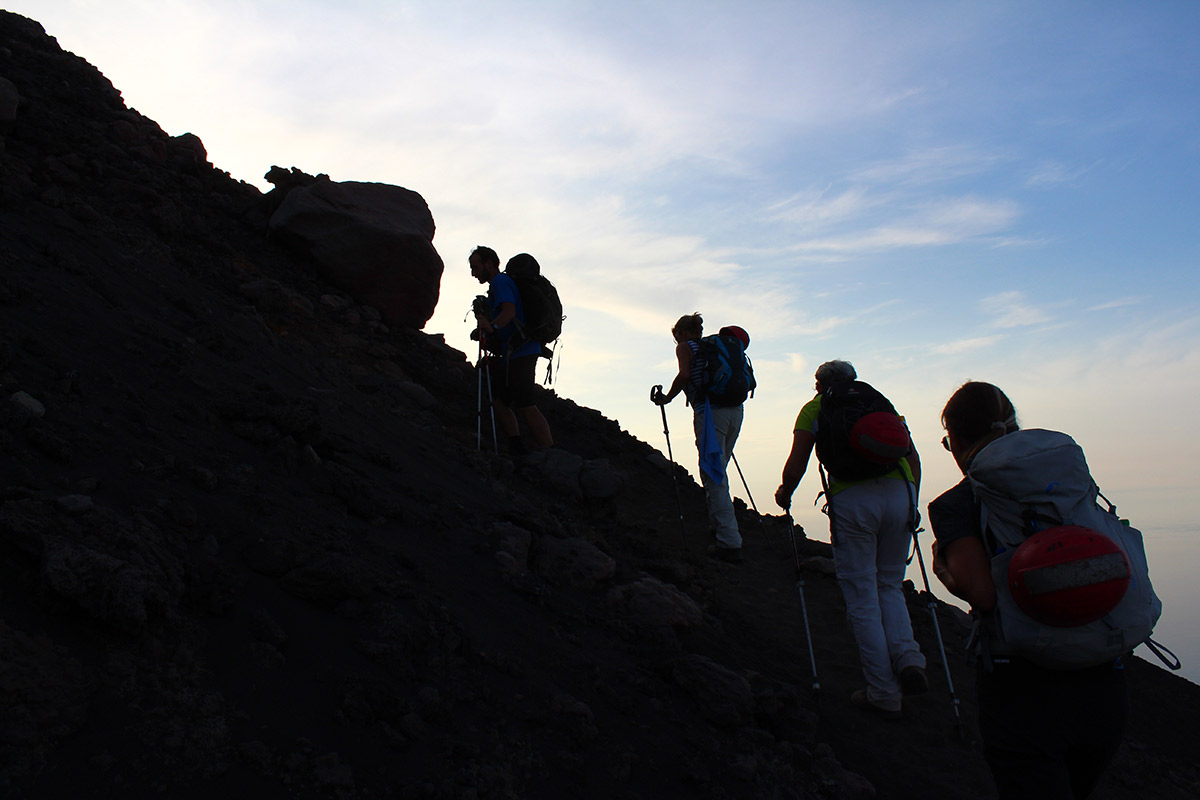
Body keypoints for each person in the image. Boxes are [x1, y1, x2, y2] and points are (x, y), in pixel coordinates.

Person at [928, 381, 1127, 799]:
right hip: (1104, 678)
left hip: (1023, 687)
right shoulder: (1070, 480)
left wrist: (945, 572)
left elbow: (981, 594)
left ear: (958, 441)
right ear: (1013, 426)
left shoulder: (954, 505)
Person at [774, 359, 926, 718]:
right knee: (889, 584)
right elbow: (911, 454)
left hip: (853, 500)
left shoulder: (815, 407)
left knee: (860, 596)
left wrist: (786, 491)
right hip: (900, 493)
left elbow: (799, 458)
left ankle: (884, 693)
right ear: (852, 379)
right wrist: (913, 501)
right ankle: (908, 657)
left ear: (818, 384)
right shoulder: (878, 400)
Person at [652, 313, 744, 563]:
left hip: (709, 412)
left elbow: (684, 375)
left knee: (713, 475)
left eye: (676, 336)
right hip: (735, 410)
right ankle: (718, 525)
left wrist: (667, 398)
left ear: (681, 333)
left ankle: (729, 542)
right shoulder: (712, 347)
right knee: (719, 469)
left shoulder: (685, 347)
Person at [469, 246, 553, 455]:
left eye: (476, 267)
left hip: (522, 350)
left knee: (525, 402)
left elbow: (510, 311)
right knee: (499, 400)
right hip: (513, 351)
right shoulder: (498, 285)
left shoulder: (500, 282)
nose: (473, 273)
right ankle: (517, 449)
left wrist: (492, 327)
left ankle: (551, 452)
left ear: (489, 263)